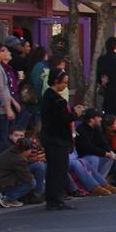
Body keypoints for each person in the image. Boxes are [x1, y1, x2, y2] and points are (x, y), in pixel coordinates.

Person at [40, 69, 84, 211]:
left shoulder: (48, 96)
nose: (65, 85)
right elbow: (63, 119)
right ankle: (56, 199)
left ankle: (53, 198)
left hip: (50, 137)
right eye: (64, 83)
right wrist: (75, 114)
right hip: (57, 139)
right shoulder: (56, 99)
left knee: (54, 169)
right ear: (55, 81)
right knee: (58, 170)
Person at [0, 41, 21, 168]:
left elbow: (5, 89)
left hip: (3, 106)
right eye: (3, 50)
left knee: (1, 138)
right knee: (0, 139)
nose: (7, 52)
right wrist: (8, 108)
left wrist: (13, 103)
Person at [0, 137, 37, 208]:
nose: (31, 151)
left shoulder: (12, 150)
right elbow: (27, 178)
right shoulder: (19, 159)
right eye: (30, 150)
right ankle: (8, 198)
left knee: (37, 167)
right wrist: (32, 176)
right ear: (24, 150)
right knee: (32, 183)